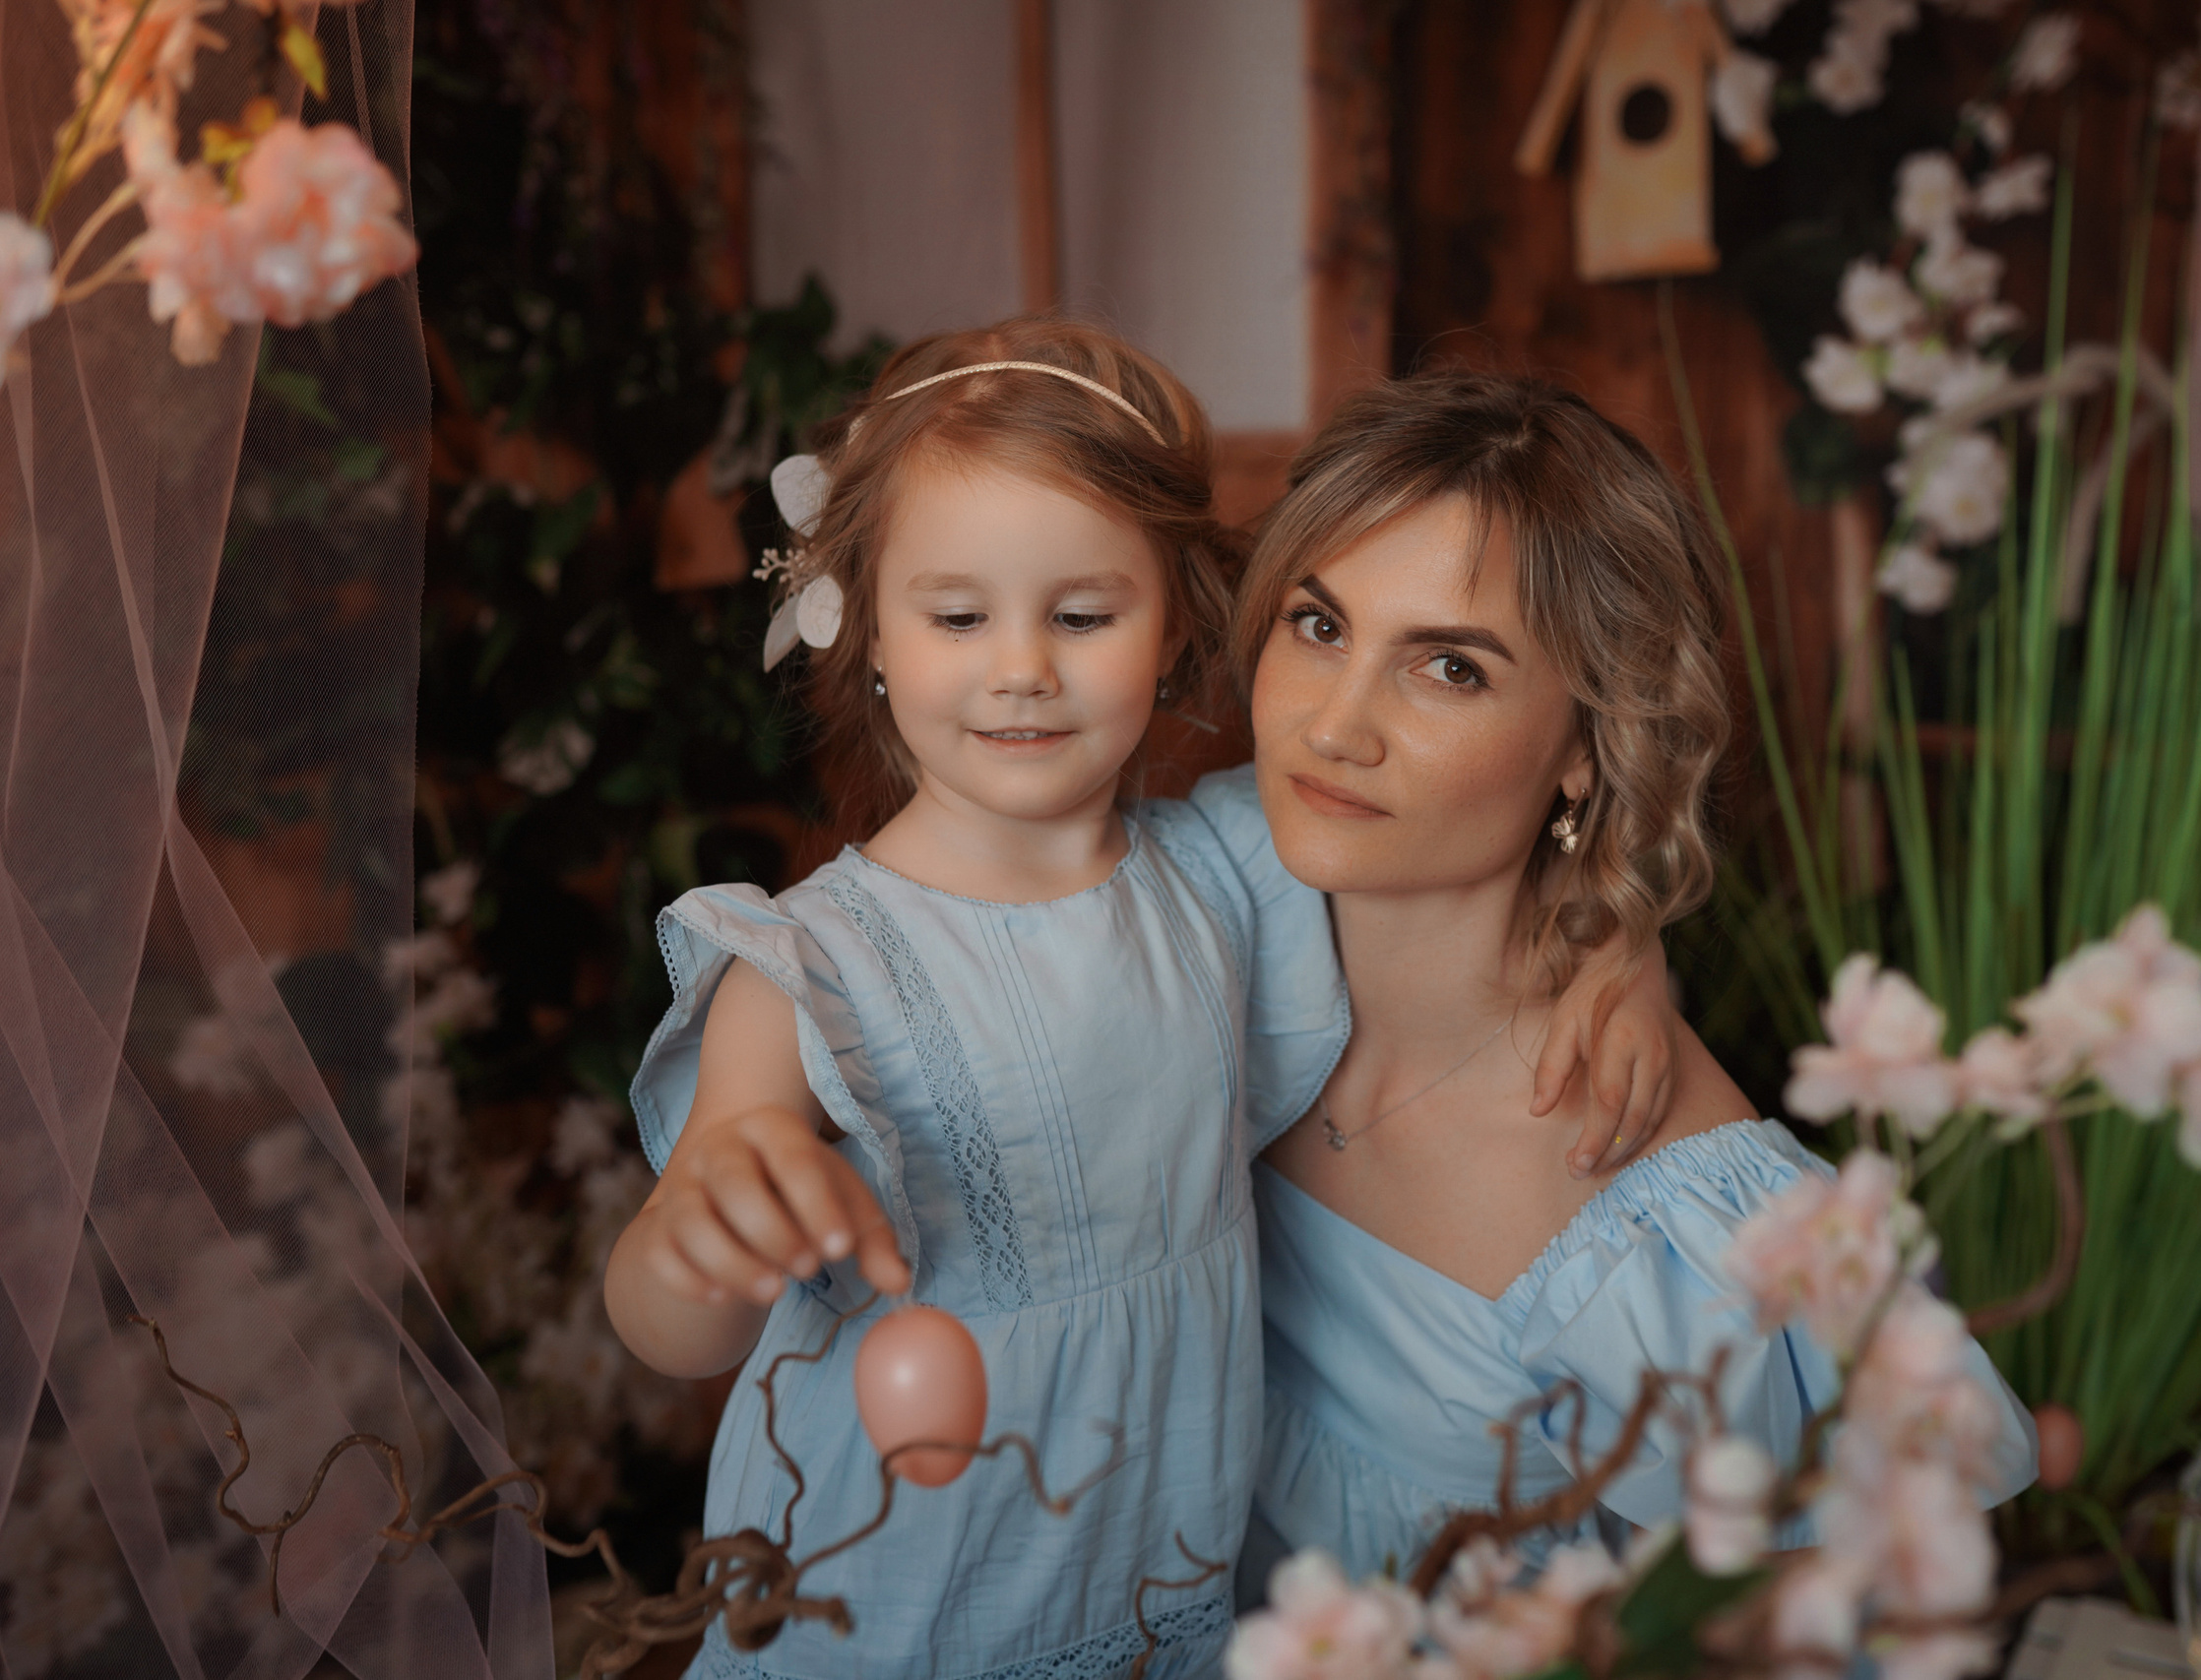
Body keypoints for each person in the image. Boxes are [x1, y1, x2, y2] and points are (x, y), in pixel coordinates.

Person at [601, 321, 1679, 1679]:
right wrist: (705, 1224)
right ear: (867, 622)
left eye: (1081, 613)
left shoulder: (1230, 871)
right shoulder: (809, 967)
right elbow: (668, 1324)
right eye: (957, 614)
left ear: (1172, 626)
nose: (1020, 667)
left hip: (1154, 1602)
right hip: (892, 1614)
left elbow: (1478, 864)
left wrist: (1618, 956)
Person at [1230, 370, 2040, 1585]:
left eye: (1448, 667)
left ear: (1586, 744)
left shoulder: (1662, 1222)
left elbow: (1819, 1625)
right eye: (1319, 624)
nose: (1333, 727)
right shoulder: (1207, 910)